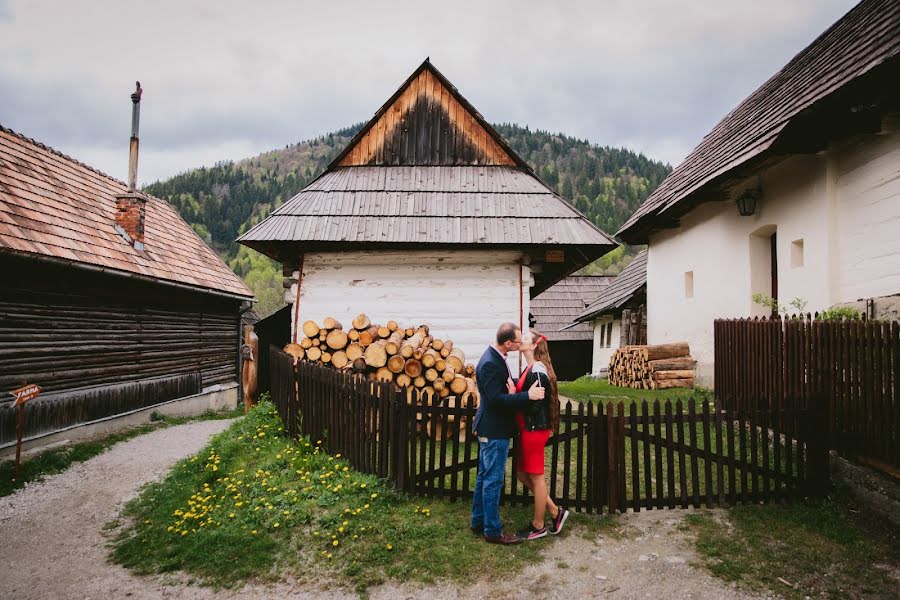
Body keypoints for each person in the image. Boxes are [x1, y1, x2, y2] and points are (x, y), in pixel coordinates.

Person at [471, 322, 545, 545]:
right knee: (493, 481)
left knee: (484, 477)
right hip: (494, 430)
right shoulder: (490, 363)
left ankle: (478, 521)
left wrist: (515, 386)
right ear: (507, 343)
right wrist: (527, 397)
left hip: (490, 428)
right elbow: (495, 401)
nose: (519, 343)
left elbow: (500, 388)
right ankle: (492, 531)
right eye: (516, 341)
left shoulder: (495, 357)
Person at [514, 331, 569, 540]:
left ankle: (538, 526)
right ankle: (555, 511)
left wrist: (515, 397)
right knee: (521, 474)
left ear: (535, 346)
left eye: (526, 338)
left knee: (536, 477)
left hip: (534, 429)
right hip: (527, 429)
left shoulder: (538, 370)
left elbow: (535, 405)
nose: (521, 340)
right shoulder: (530, 368)